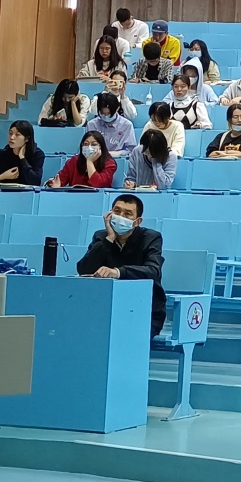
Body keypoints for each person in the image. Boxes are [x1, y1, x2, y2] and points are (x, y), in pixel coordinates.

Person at [77, 194, 165, 335]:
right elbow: (84, 269)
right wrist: (109, 239)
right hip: (105, 309)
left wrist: (117, 272)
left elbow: (153, 271)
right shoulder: (101, 237)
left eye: (127, 214)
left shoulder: (151, 238)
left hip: (143, 310)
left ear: (137, 221)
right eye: (117, 211)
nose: (120, 217)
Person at [0, 120, 44, 186]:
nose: (12, 137)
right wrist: (1, 177)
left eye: (17, 135)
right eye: (10, 133)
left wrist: (22, 159)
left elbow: (36, 182)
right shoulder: (1, 155)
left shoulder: (37, 155)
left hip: (27, 194)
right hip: (3, 193)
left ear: (27, 138)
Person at [51, 131, 118, 187]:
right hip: (74, 196)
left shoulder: (110, 164)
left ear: (101, 147)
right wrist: (53, 184)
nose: (89, 147)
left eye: (94, 144)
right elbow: (60, 180)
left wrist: (89, 161)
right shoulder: (74, 161)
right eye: (86, 144)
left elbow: (98, 184)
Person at [83, 91, 135, 158]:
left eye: (109, 114)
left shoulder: (127, 125)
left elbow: (130, 149)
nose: (106, 116)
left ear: (117, 108)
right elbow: (86, 146)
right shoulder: (92, 124)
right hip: (95, 159)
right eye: (102, 113)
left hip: (118, 159)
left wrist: (116, 154)